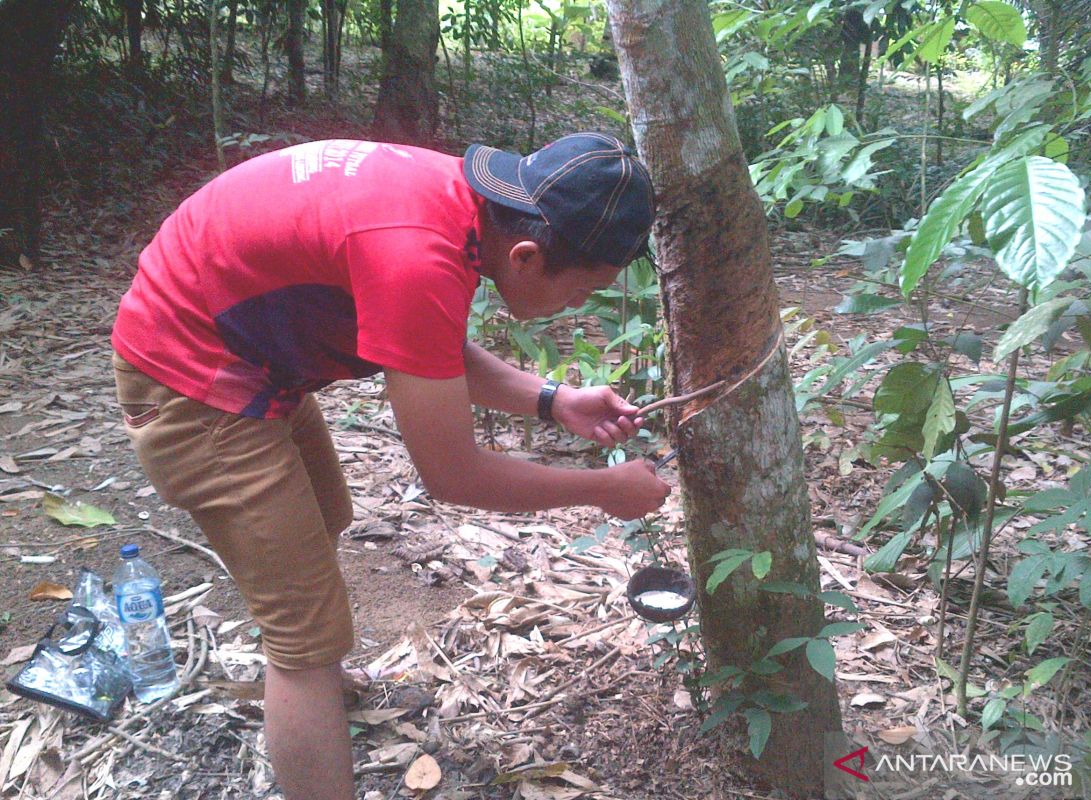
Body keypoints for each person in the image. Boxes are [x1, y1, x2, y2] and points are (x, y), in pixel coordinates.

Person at [110, 132, 671, 799]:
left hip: (247, 350)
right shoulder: (416, 256)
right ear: (526, 256)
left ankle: (323, 689)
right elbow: (453, 476)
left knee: (326, 514)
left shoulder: (460, 206)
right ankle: (313, 689)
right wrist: (603, 489)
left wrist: (554, 401)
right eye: (582, 293)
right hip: (191, 377)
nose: (577, 307)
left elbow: (424, 345)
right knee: (304, 643)